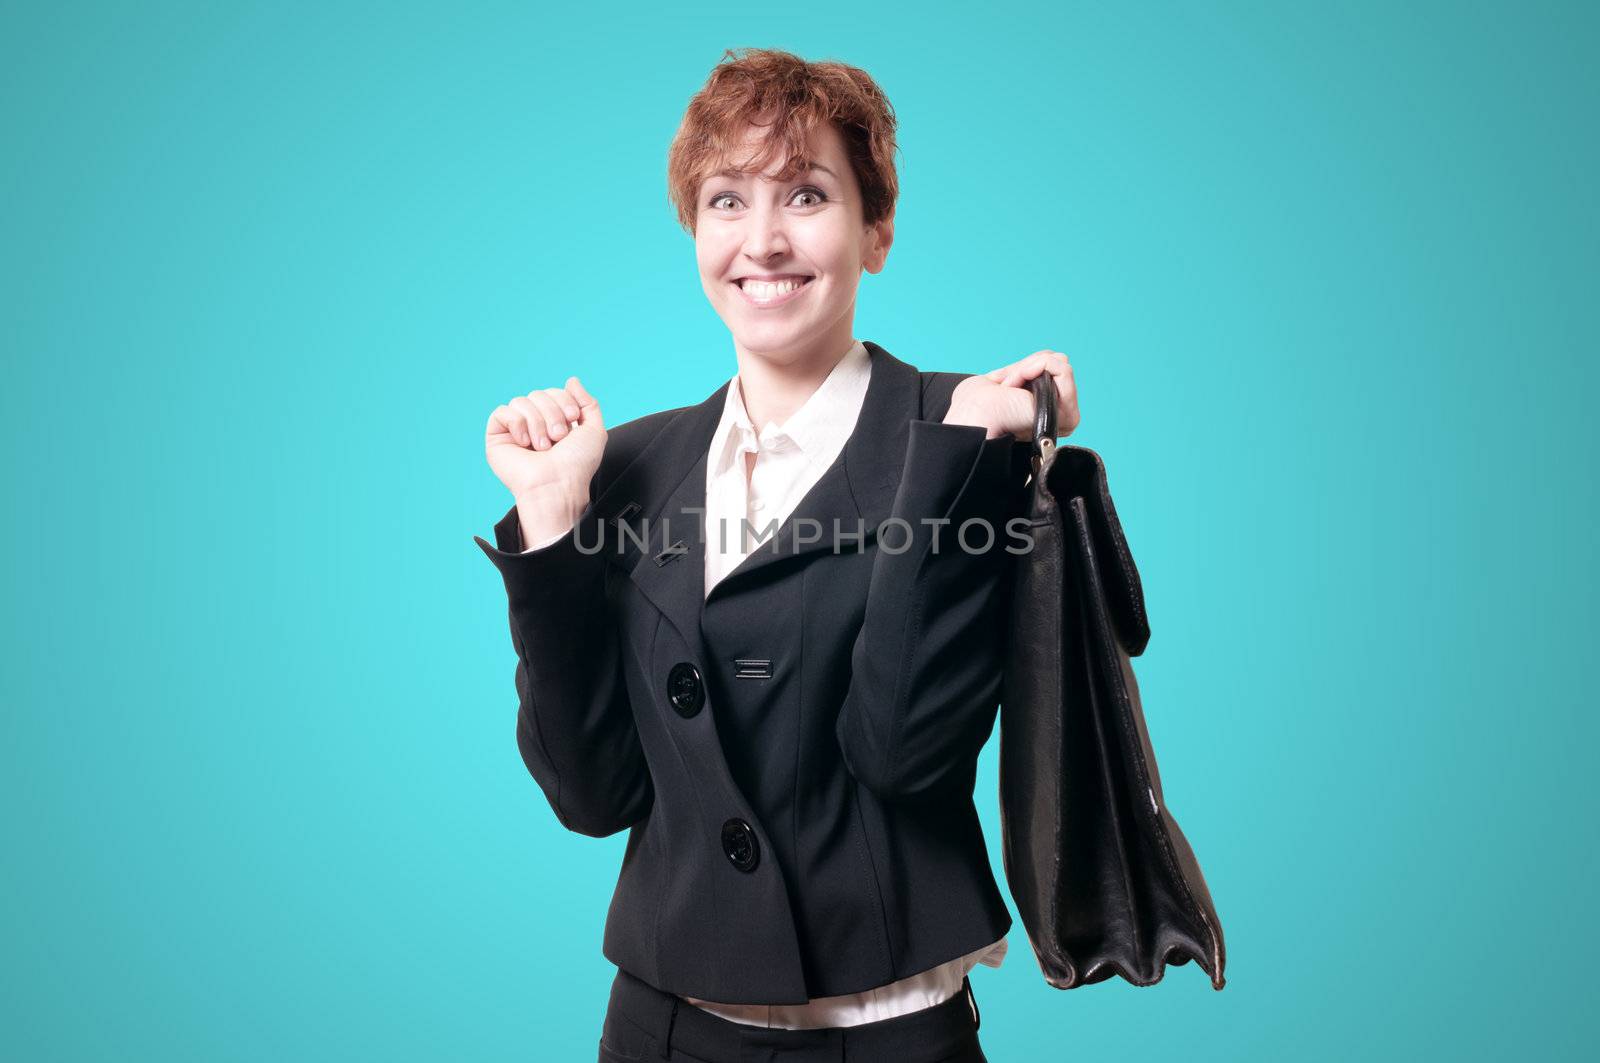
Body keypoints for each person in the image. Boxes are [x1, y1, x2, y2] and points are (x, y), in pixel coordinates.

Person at [476, 47, 1078, 1063]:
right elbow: (592, 796)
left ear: (874, 228)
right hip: (659, 1028)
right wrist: (551, 518)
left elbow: (901, 752)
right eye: (724, 201)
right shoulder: (625, 464)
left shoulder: (963, 437)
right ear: (693, 232)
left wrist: (959, 468)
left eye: (806, 194)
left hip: (888, 1036)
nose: (761, 241)